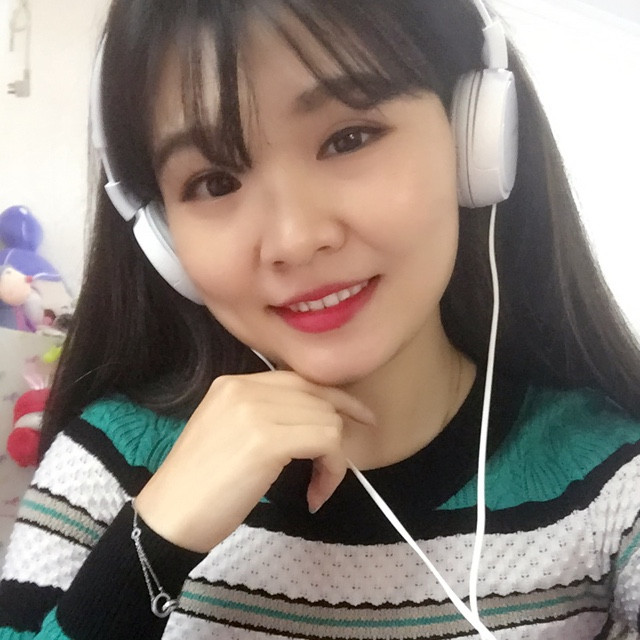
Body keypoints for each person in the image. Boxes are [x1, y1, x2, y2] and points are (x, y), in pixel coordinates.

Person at [1, 0, 640, 638]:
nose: (295, 238)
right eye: (215, 182)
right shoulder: (107, 465)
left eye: (348, 139)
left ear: (475, 138)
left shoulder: (609, 488)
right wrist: (153, 544)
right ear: (161, 237)